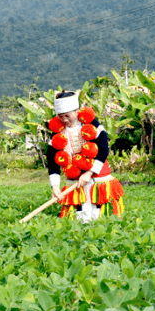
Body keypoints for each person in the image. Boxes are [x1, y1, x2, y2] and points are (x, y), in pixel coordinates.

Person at [46, 91, 124, 223]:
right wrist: (55, 187)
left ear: (76, 111)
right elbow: (52, 163)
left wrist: (89, 173)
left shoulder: (92, 125)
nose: (64, 120)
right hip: (74, 176)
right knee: (77, 216)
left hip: (98, 174)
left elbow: (104, 150)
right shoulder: (57, 133)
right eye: (60, 116)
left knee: (102, 213)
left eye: (67, 115)